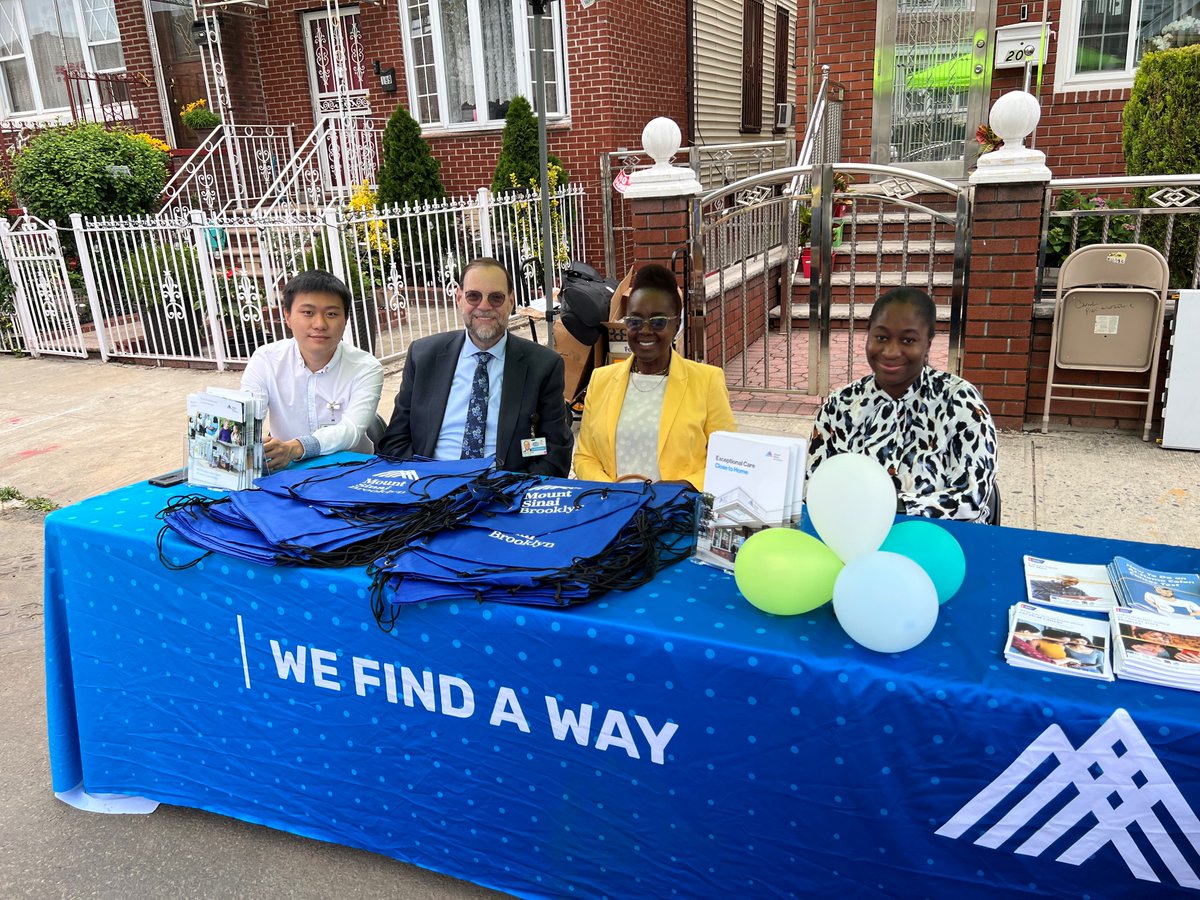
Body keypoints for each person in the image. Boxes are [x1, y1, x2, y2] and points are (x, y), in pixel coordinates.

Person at [807, 286, 997, 522]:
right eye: (881, 337)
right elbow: (813, 485)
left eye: (908, 340)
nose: (891, 351)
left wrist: (892, 506)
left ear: (928, 343)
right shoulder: (841, 404)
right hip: (851, 537)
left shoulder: (959, 402)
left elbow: (972, 498)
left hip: (939, 540)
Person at [377, 257, 572, 476]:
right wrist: (425, 482)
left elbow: (555, 453)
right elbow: (394, 442)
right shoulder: (423, 357)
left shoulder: (543, 366)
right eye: (473, 296)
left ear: (510, 302)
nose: (484, 306)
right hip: (430, 487)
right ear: (459, 298)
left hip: (503, 495)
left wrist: (511, 493)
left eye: (496, 298)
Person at [573, 264, 735, 490]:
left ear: (676, 324)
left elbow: (728, 460)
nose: (645, 330)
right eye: (635, 321)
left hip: (675, 512)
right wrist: (614, 493)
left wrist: (681, 487)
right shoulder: (601, 380)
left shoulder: (707, 381)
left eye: (658, 321)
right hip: (614, 511)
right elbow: (585, 457)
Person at [241, 270, 385, 472]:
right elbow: (246, 421)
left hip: (351, 470)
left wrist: (296, 447)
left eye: (332, 314)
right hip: (286, 471)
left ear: (345, 320)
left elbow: (351, 431)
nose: (320, 324)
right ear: (288, 316)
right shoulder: (266, 360)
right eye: (308, 312)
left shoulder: (366, 367)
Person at [1028, 575, 1100, 604]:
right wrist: (1065, 597)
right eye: (1068, 581)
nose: (1071, 584)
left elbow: (1089, 599)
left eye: (1073, 583)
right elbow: (1037, 594)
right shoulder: (1037, 582)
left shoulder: (1078, 591)